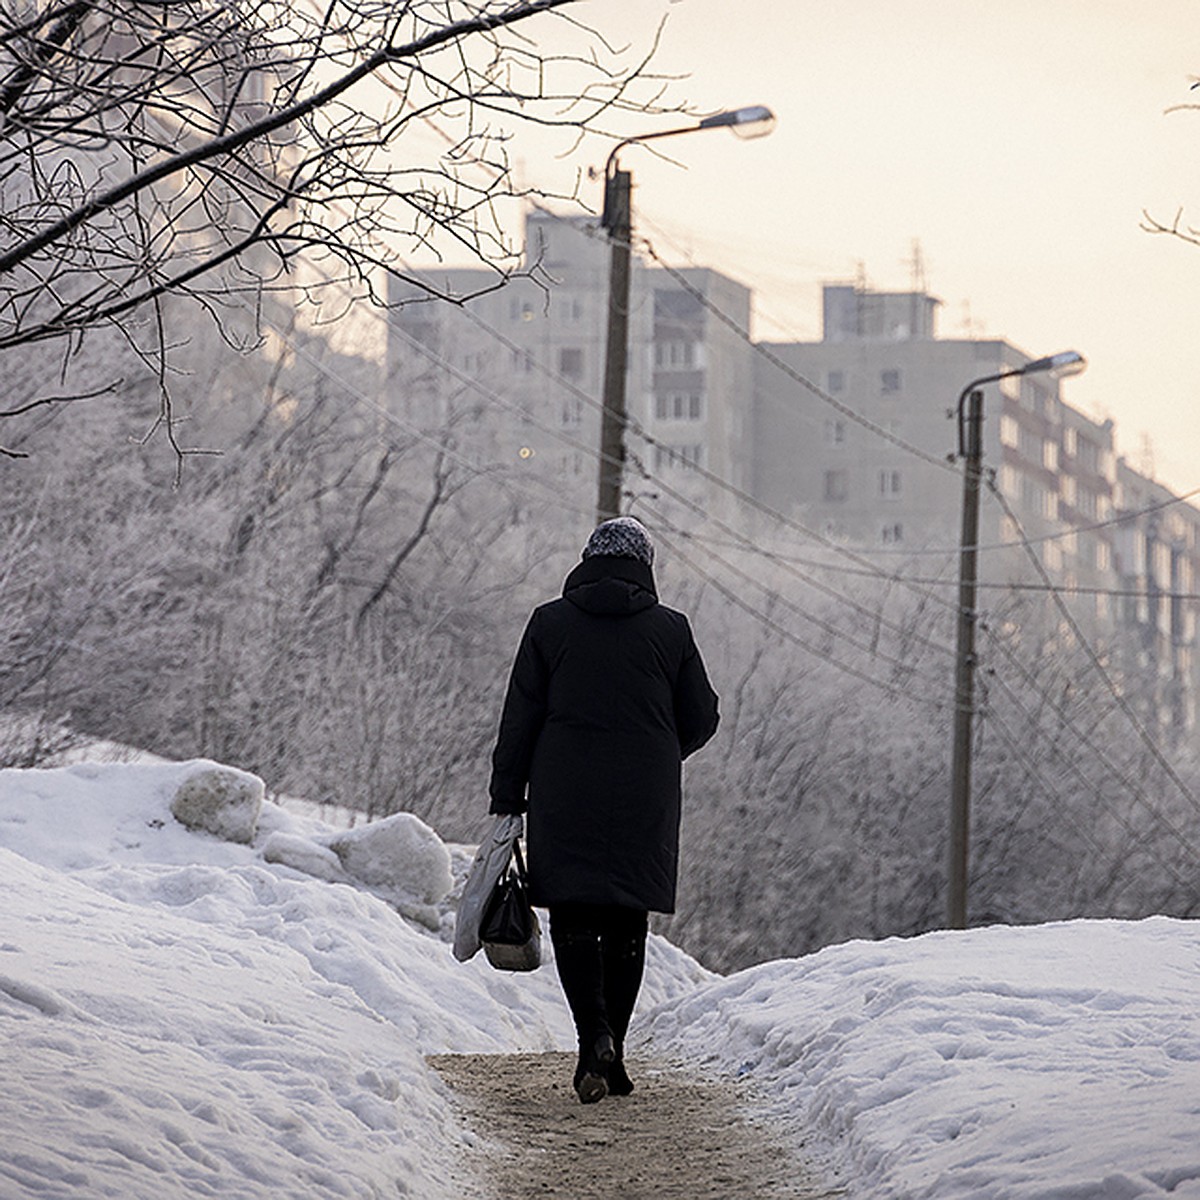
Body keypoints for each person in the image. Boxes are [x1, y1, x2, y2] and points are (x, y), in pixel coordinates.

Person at [488, 516, 720, 1104]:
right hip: (645, 791)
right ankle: (610, 1046)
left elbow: (521, 718)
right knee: (625, 919)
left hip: (564, 788)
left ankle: (592, 1036)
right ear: (644, 567)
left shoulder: (550, 624)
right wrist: (662, 748)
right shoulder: (672, 631)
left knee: (573, 915)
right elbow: (702, 717)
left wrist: (507, 795)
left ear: (587, 561)